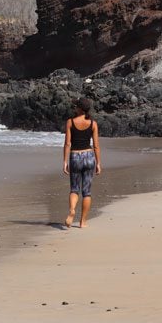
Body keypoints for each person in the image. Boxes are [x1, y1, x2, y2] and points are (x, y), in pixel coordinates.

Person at [62, 98, 101, 228]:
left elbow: (67, 143)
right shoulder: (93, 124)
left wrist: (65, 161)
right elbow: (96, 146)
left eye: (76, 106)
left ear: (79, 108)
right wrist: (98, 163)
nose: (74, 108)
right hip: (89, 156)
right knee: (87, 192)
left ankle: (72, 209)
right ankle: (83, 222)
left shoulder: (70, 122)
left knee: (74, 189)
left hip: (75, 156)